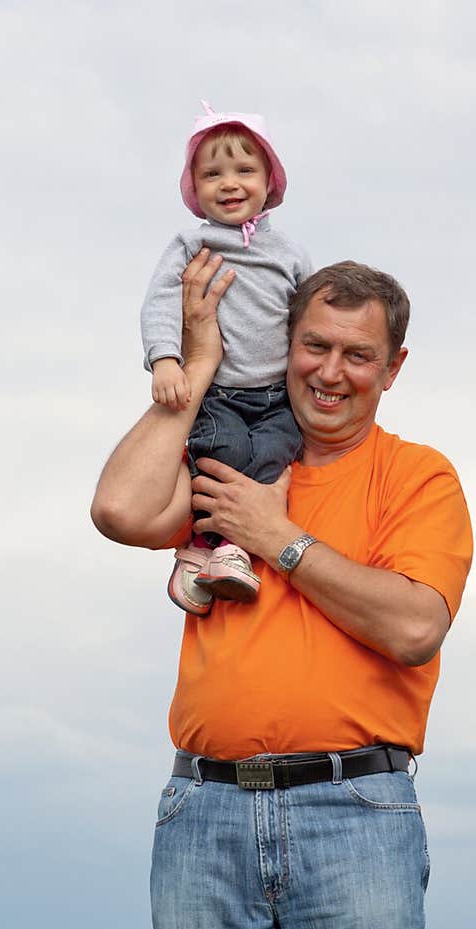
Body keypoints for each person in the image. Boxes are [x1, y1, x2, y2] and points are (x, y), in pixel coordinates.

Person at [91, 254, 473, 929]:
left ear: (394, 368)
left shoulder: (415, 477)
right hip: (201, 816)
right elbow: (120, 508)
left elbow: (412, 622)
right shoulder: (232, 454)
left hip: (356, 817)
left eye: (358, 354)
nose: (331, 371)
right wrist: (196, 365)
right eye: (314, 345)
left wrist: (280, 540)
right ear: (287, 344)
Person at [141, 99, 312, 614]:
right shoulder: (190, 244)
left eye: (244, 170)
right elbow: (160, 302)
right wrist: (166, 359)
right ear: (195, 189)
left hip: (277, 392)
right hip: (220, 391)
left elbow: (308, 314)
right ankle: (205, 548)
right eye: (212, 174)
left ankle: (219, 550)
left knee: (278, 455)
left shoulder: (289, 252)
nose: (229, 183)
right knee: (225, 453)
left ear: (269, 181)